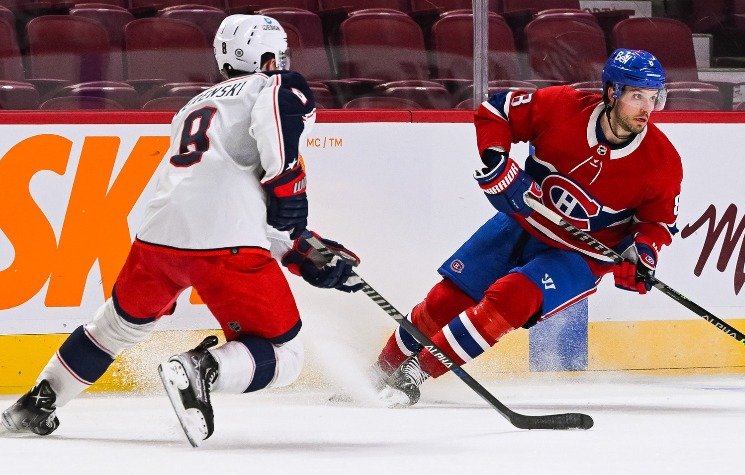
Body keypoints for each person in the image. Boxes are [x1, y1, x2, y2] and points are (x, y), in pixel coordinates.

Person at [1, 14, 362, 446]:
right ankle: (202, 369)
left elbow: (226, 192)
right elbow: (274, 143)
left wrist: (298, 250)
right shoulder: (276, 86)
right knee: (286, 354)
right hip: (225, 245)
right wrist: (290, 189)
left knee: (114, 327)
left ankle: (39, 401)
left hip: (158, 240)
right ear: (271, 54)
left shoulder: (194, 105)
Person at [374, 49, 683, 407]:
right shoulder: (563, 105)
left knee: (513, 296)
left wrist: (642, 254)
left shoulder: (662, 162)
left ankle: (418, 373)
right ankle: (379, 372)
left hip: (580, 254)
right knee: (446, 301)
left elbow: (658, 223)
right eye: (637, 96)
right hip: (521, 223)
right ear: (612, 92)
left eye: (654, 97)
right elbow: (497, 111)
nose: (647, 108)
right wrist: (496, 158)